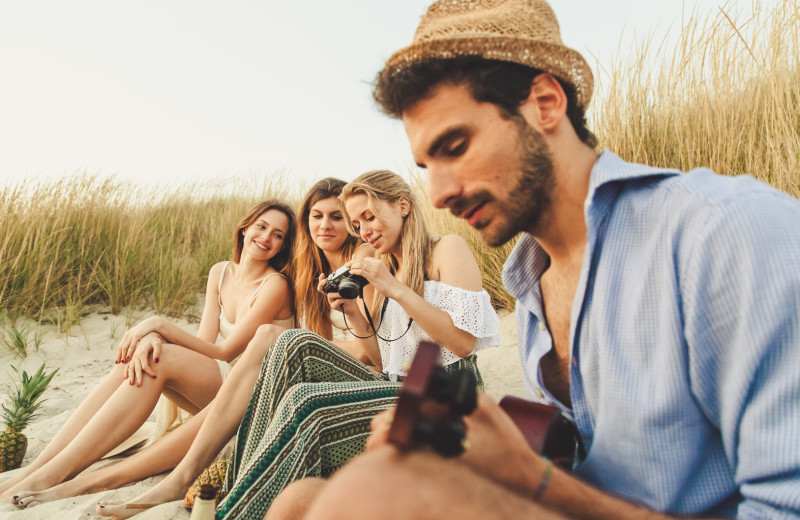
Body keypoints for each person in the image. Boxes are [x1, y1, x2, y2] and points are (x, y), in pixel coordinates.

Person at [296, 1, 800, 519]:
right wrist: (489, 449)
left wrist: (535, 481)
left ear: (544, 102)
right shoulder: (530, 275)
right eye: (427, 165)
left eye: (456, 145)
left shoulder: (725, 235)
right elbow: (589, 468)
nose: (439, 193)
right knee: (302, 502)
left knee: (354, 499)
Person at [87, 177, 381, 518]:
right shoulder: (304, 274)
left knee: (267, 342)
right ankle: (59, 468)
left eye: (336, 217)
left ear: (352, 224)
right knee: (141, 359)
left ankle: (162, 477)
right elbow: (211, 340)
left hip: (340, 375)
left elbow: (366, 351)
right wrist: (156, 334)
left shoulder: (360, 264)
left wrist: (321, 344)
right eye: (317, 216)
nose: (325, 225)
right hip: (288, 372)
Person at [1, 199, 297, 507]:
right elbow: (203, 342)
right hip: (216, 383)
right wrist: (153, 337)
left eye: (278, 235)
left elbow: (223, 351)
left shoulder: (275, 285)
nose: (265, 238)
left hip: (250, 389)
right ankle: (42, 467)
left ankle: (56, 473)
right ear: (245, 228)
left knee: (157, 358)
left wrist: (158, 325)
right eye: (261, 227)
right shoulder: (220, 272)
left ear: (283, 246)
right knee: (138, 358)